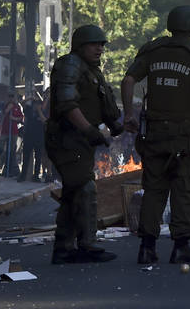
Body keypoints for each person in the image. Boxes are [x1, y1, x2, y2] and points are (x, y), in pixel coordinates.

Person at [121, 5, 190, 265]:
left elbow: (128, 80)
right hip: (184, 135)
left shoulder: (153, 50)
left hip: (154, 133)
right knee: (183, 188)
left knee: (153, 189)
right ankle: (181, 246)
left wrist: (128, 114)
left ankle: (147, 248)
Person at [45, 24, 123, 264]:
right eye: (93, 44)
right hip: (67, 139)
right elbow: (67, 104)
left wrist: (119, 125)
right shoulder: (71, 64)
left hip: (80, 141)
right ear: (80, 46)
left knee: (73, 192)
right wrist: (89, 130)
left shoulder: (92, 71)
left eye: (101, 44)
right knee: (85, 188)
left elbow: (104, 105)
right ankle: (87, 245)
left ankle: (63, 249)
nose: (99, 48)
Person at [18, 95, 47, 182]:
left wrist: (39, 111)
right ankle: (23, 176)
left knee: (38, 158)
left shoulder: (42, 112)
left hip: (39, 137)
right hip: (28, 137)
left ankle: (36, 176)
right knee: (26, 157)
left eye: (38, 104)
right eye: (35, 104)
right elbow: (21, 103)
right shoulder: (28, 110)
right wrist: (30, 98)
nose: (36, 106)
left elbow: (44, 121)